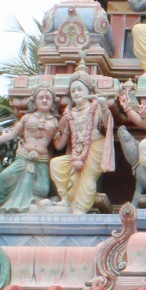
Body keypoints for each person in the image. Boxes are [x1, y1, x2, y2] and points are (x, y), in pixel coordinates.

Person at [49, 76, 115, 214]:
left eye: (80, 89)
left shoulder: (95, 108)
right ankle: (65, 199)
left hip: (96, 146)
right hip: (77, 151)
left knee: (88, 177)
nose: (76, 93)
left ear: (89, 91)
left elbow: (106, 124)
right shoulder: (69, 114)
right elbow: (59, 141)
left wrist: (103, 106)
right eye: (73, 91)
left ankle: (80, 208)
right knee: (56, 164)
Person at [0, 88, 61, 212]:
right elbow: (12, 134)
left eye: (48, 98)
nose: (44, 100)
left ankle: (30, 204)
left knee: (42, 189)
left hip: (41, 161)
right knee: (5, 176)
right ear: (34, 101)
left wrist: (68, 127)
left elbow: (59, 146)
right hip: (24, 157)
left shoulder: (55, 122)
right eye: (41, 98)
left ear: (53, 103)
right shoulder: (27, 118)